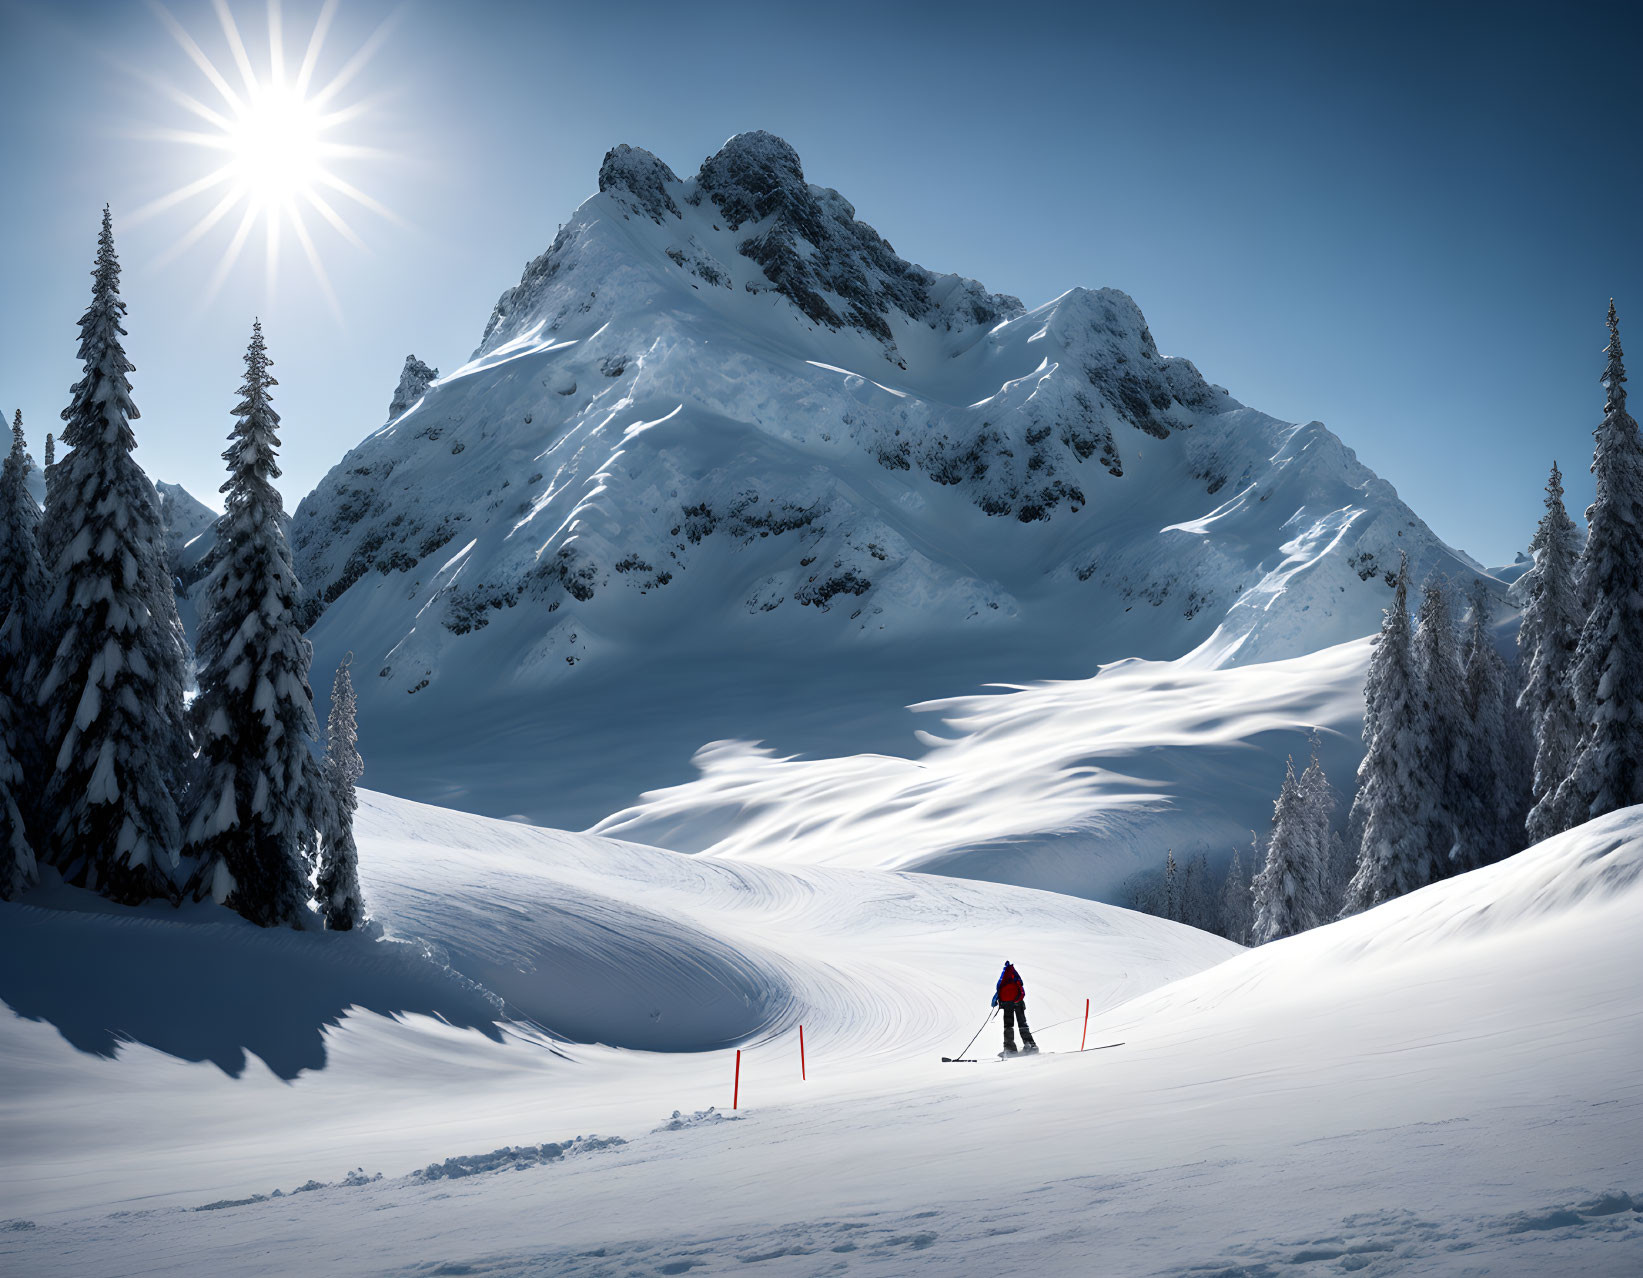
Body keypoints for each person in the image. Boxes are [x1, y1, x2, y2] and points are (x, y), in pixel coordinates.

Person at [991, 960, 1038, 1054]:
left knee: (1008, 1026)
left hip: (1007, 1003)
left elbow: (999, 989)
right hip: (1019, 1001)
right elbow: (1021, 985)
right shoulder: (1015, 975)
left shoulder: (1004, 976)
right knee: (1022, 1023)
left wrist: (995, 1001)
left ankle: (1010, 1049)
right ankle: (1031, 1045)